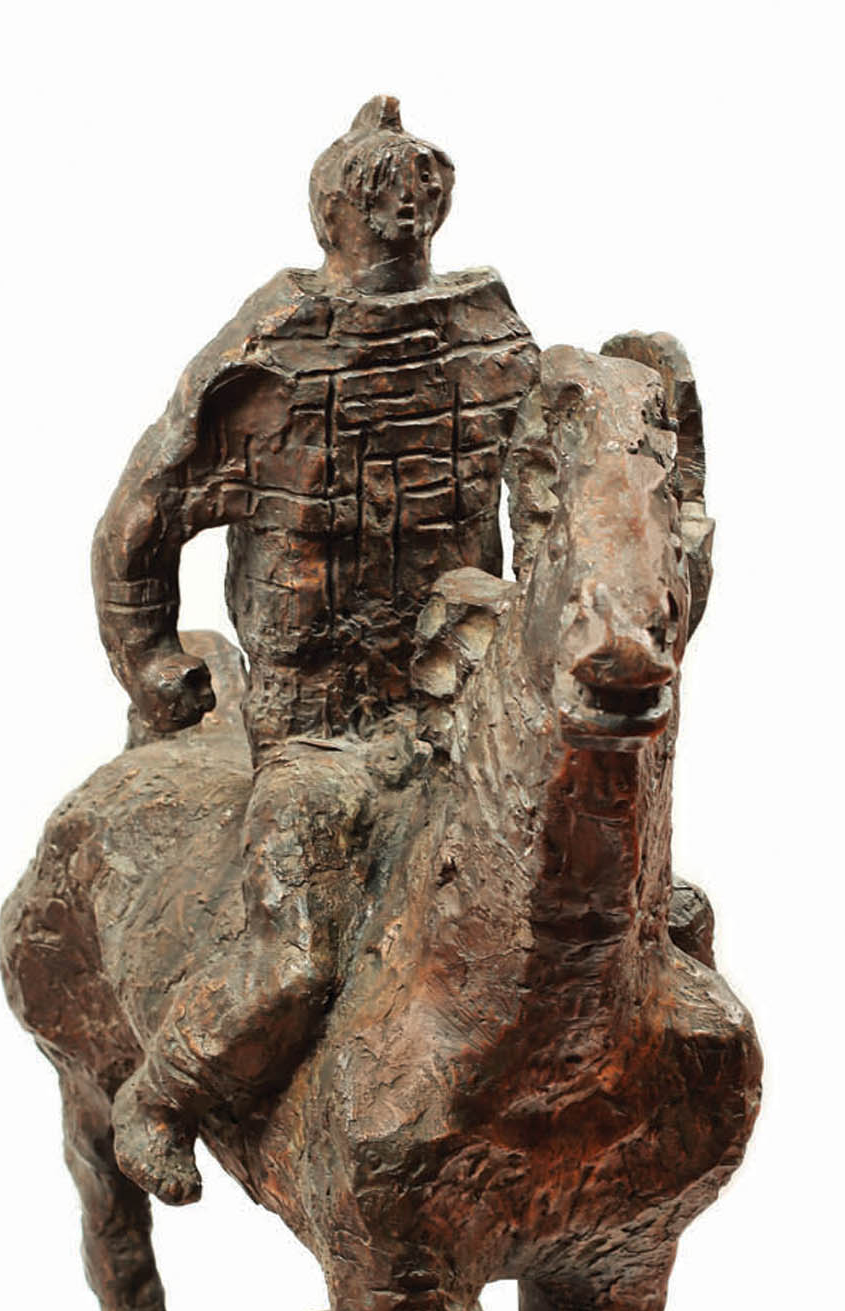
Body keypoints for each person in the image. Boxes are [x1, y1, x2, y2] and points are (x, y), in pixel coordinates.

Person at [95, 96, 539, 1203]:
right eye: (380, 196)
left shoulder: (490, 338)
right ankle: (161, 1096)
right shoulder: (273, 359)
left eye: (418, 194)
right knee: (294, 963)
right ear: (338, 213)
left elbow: (557, 492)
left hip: (469, 713)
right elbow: (141, 522)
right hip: (318, 731)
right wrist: (152, 661)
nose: (404, 214)